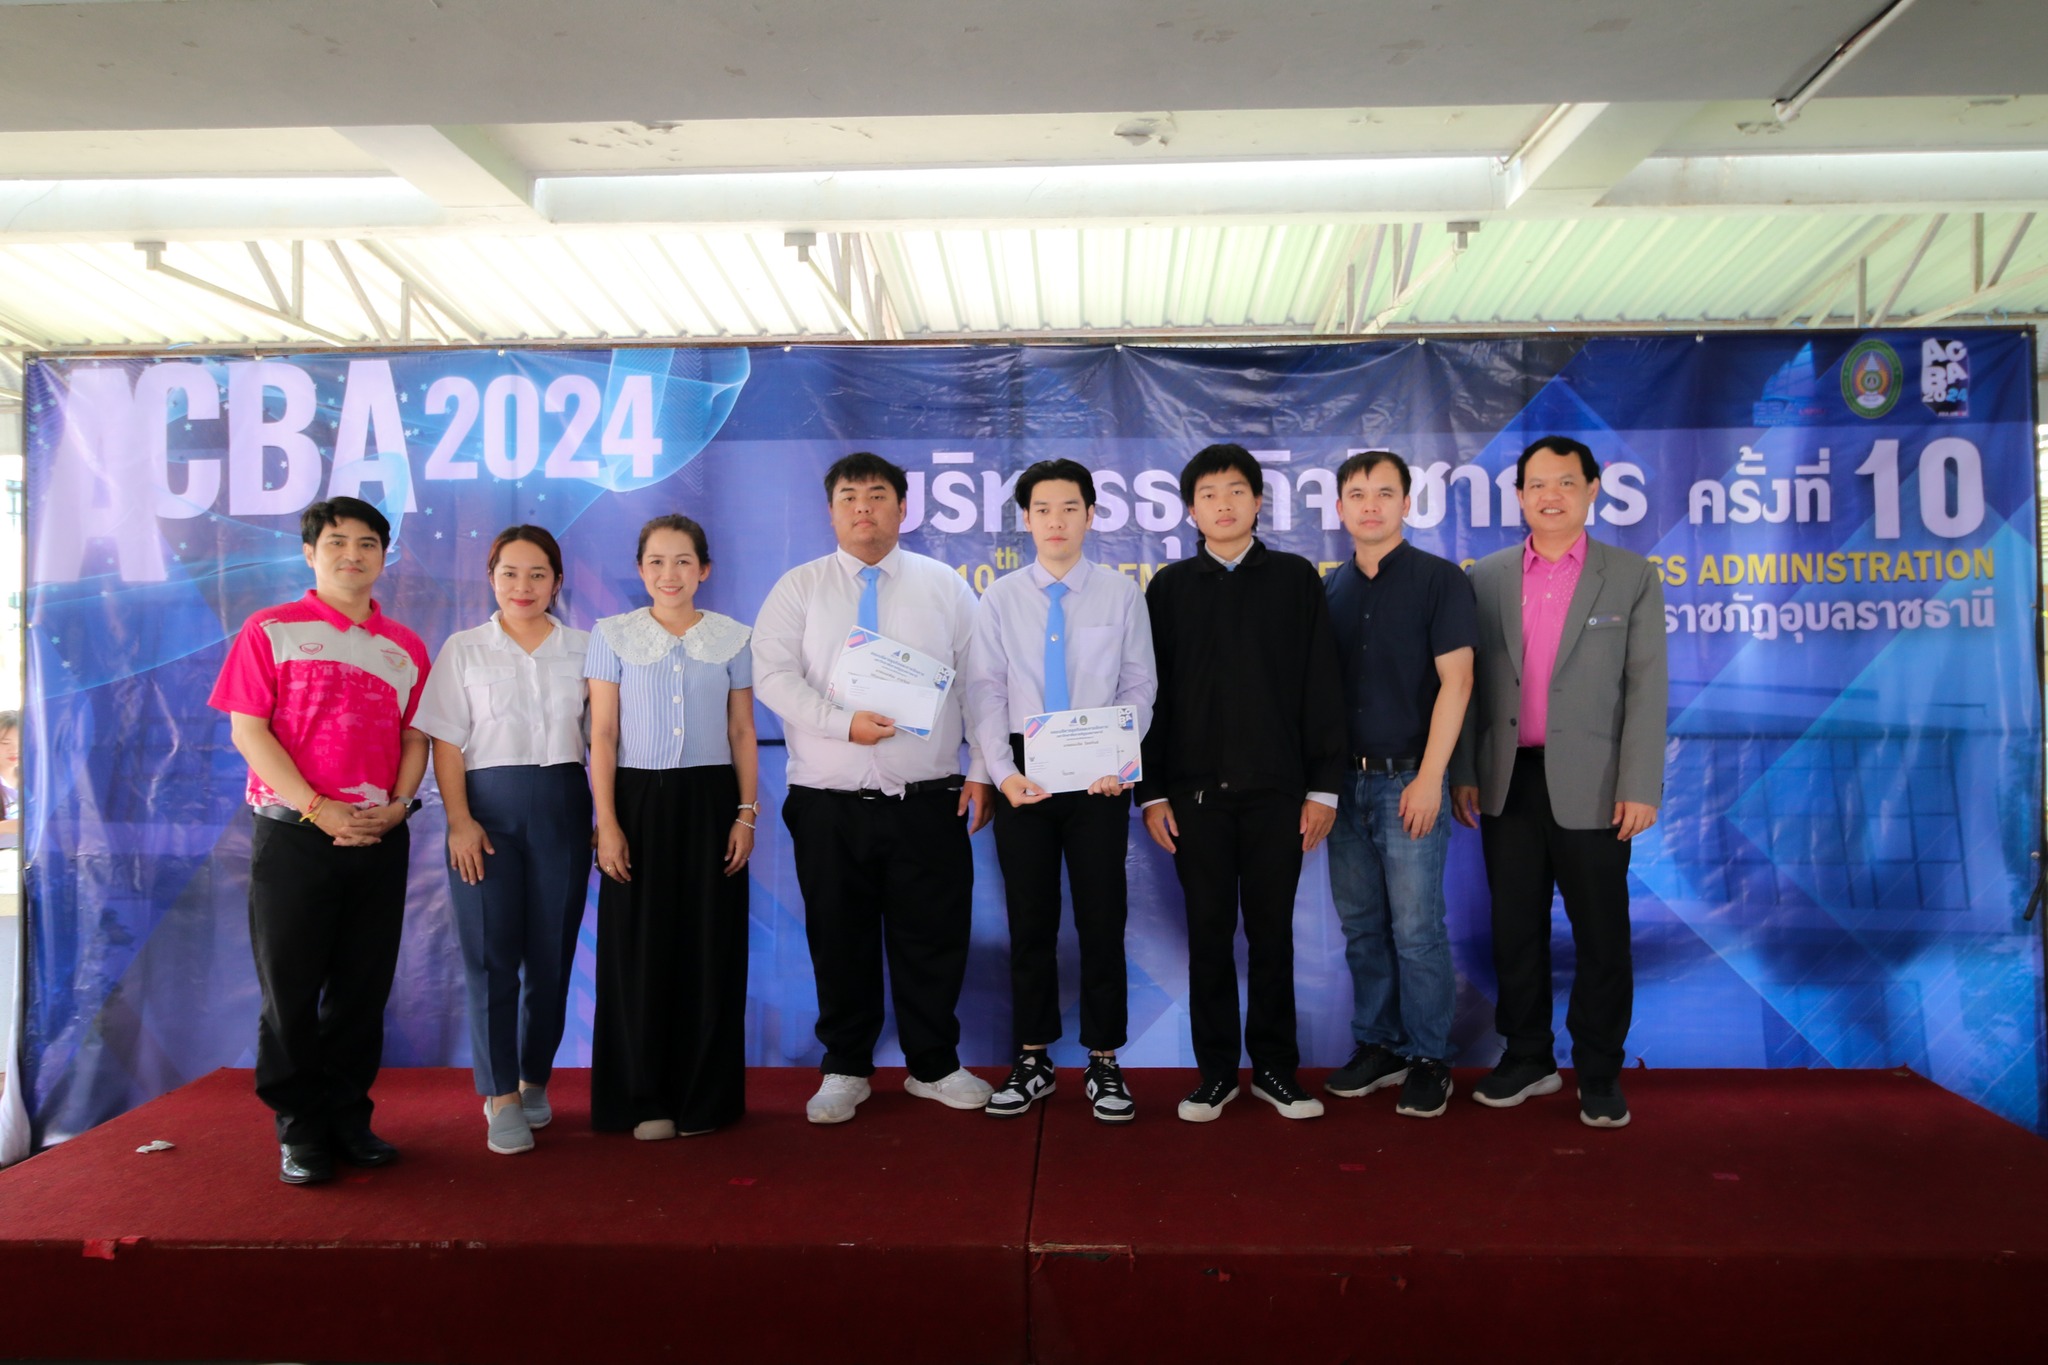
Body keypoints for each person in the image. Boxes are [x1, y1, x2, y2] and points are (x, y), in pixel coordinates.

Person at [753, 452, 995, 1125]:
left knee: (934, 936)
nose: (864, 507)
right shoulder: (799, 587)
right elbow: (772, 676)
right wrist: (841, 723)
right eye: (850, 496)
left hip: (928, 798)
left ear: (903, 507)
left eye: (879, 494)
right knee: (839, 938)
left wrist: (983, 770)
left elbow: (981, 683)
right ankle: (846, 1066)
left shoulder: (945, 587)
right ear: (831, 510)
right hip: (828, 803)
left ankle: (934, 1064)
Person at [206, 496, 430, 1186]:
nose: (352, 555)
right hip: (294, 835)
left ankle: (348, 1118)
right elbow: (249, 730)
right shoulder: (269, 629)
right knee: (292, 988)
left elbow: (415, 737)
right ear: (310, 552)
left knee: (363, 990)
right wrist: (317, 807)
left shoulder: (406, 647)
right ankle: (300, 1127)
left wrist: (398, 807)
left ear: (384, 556)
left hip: (377, 836)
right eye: (336, 542)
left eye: (367, 544)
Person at [1451, 435, 1668, 1130]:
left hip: (1597, 785)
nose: (1551, 495)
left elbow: (1647, 688)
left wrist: (1641, 783)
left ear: (1592, 490)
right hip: (1506, 781)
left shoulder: (1629, 575)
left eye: (1566, 483)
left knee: (1601, 933)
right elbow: (1467, 686)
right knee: (1514, 929)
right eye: (1537, 484)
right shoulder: (1485, 576)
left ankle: (1599, 1070)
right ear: (1519, 496)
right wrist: (1464, 772)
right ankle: (1528, 1056)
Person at [1138, 443, 1347, 1123]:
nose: (1222, 505)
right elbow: (1149, 697)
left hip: (1278, 796)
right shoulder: (1169, 588)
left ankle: (1276, 1071)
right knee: (1207, 937)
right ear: (1190, 509)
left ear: (1258, 501)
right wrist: (1152, 791)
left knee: (1272, 937)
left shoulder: (1294, 579)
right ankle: (1216, 1074)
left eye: (1235, 491)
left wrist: (1323, 788)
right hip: (1193, 800)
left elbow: (1322, 684)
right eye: (1208, 494)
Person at [965, 459, 1157, 1122]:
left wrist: (1120, 760)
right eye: (1043, 509)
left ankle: (1104, 1058)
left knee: (1103, 917)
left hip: (1101, 772)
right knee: (1030, 919)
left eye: (1070, 507)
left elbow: (1139, 685)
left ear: (1091, 515)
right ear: (1026, 519)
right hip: (1024, 772)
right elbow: (985, 690)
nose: (1056, 520)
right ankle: (1033, 1057)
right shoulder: (1001, 598)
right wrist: (1002, 772)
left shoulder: (1121, 594)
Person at [412, 526, 593, 1156]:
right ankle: (500, 1095)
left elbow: (604, 740)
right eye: (510, 573)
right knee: (491, 957)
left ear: (557, 582)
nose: (523, 586)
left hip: (564, 807)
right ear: (491, 578)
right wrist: (459, 820)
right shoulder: (463, 649)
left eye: (538, 574)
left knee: (551, 956)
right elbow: (445, 741)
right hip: (486, 816)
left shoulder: (586, 649)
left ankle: (533, 1078)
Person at [584, 514, 758, 1140]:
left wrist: (745, 813)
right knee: (639, 950)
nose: (670, 574)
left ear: (704, 569)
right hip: (637, 802)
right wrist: (607, 822)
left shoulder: (734, 637)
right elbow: (603, 735)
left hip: (713, 803)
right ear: (640, 569)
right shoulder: (611, 635)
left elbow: (742, 731)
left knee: (711, 948)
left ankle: (704, 1099)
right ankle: (643, 1098)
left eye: (683, 561)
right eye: (656, 561)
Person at [1319, 451, 1476, 1119]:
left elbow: (1458, 682)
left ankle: (1429, 1056)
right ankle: (1379, 1044)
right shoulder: (1329, 590)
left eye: (1385, 492)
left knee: (1416, 930)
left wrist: (1432, 776)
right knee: (1362, 928)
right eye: (1357, 494)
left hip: (1410, 779)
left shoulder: (1440, 580)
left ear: (1407, 504)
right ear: (1340, 509)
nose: (1371, 505)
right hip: (1341, 787)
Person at [0, 710, 20, 850]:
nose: (14, 750)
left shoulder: (34, 779)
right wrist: (6, 826)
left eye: (21, 742)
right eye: (5, 743)